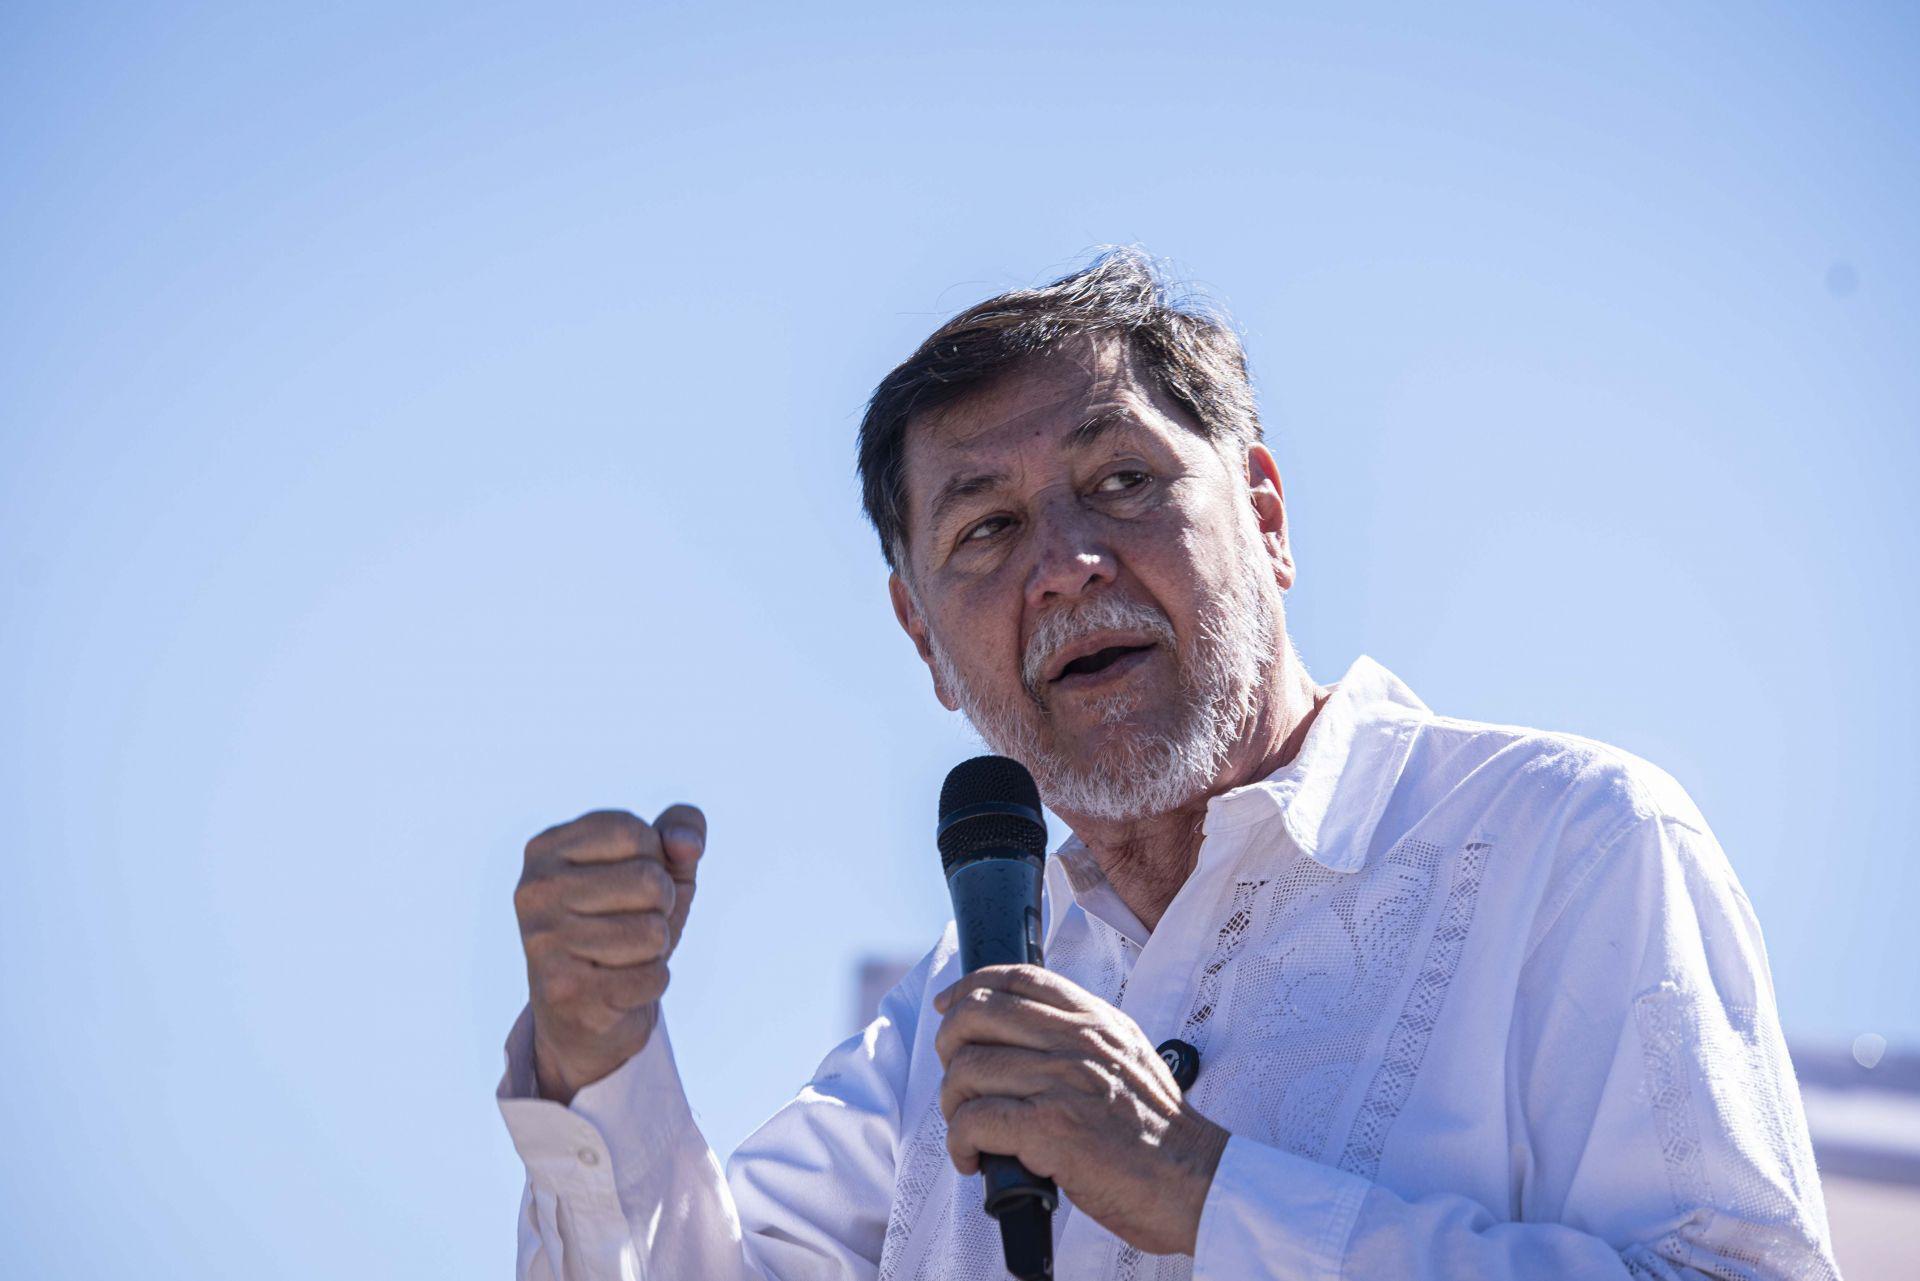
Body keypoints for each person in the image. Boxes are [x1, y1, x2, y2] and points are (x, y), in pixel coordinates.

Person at [496, 250, 1840, 1279]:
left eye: (1124, 482)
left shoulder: (1572, 844)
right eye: (984, 530)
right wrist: (599, 1064)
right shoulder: (940, 1028)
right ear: (924, 639)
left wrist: (1198, 1184)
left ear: (1265, 514)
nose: (1066, 565)